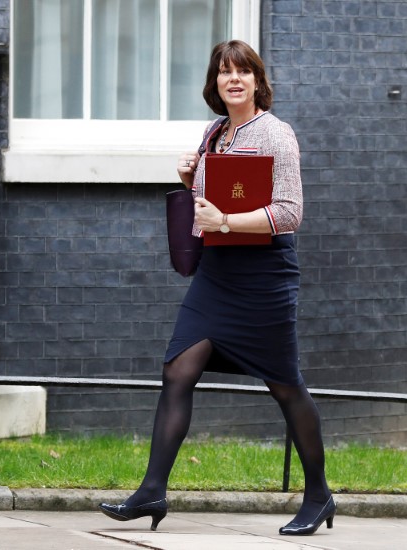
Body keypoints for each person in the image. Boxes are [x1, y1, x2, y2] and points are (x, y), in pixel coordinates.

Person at [99, 40, 335, 537]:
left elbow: (289, 213)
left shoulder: (276, 134)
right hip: (218, 273)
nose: (234, 79)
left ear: (256, 81)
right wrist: (190, 182)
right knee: (177, 368)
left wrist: (225, 219)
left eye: (243, 71)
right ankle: (152, 490)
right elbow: (209, 210)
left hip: (264, 277)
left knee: (286, 386)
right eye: (225, 72)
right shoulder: (215, 133)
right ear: (215, 83)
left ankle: (318, 495)